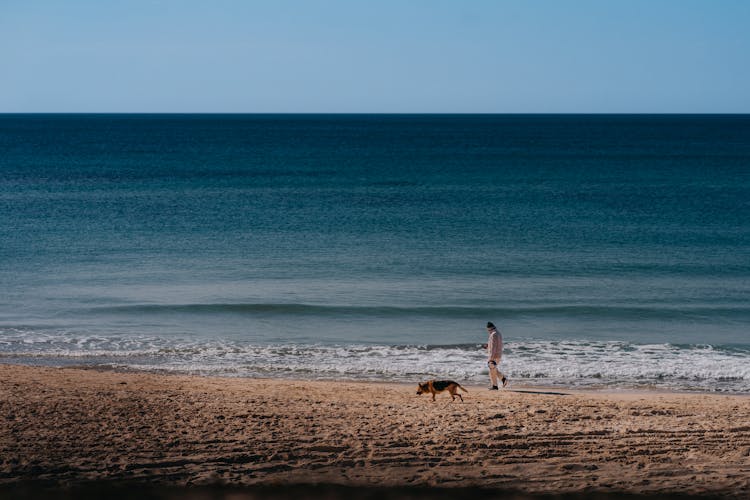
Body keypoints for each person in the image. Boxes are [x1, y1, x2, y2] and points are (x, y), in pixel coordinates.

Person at [483, 321, 508, 390]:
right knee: (493, 369)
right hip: (498, 354)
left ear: (489, 328)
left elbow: (493, 347)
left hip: (494, 355)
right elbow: (496, 344)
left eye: (488, 330)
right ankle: (503, 379)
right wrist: (487, 346)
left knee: (492, 371)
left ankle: (495, 386)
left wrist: (491, 358)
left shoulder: (493, 334)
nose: (488, 332)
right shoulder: (498, 333)